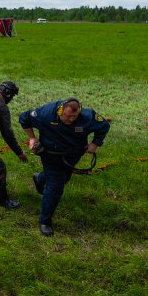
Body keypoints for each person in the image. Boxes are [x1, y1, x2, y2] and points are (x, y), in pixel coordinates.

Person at [19, 98, 110, 236]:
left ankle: (40, 178)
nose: (72, 120)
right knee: (55, 187)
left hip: (72, 156)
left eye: (75, 116)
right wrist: (32, 138)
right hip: (51, 155)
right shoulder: (46, 113)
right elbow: (24, 118)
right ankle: (45, 221)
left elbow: (104, 126)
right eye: (68, 116)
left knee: (64, 177)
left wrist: (95, 144)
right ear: (60, 110)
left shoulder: (88, 116)